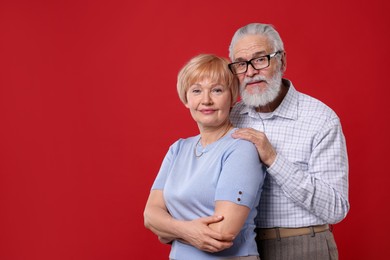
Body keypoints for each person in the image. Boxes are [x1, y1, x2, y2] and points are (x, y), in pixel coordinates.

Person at [226, 23, 350, 259]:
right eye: (241, 64)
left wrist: (273, 158)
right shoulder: (232, 117)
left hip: (304, 245)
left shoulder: (320, 119)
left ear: (281, 61)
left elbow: (336, 209)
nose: (251, 72)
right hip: (242, 249)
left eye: (260, 59)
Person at [143, 54, 266, 260]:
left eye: (217, 90)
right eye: (197, 90)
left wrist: (168, 231)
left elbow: (221, 234)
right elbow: (149, 215)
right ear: (186, 98)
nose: (206, 100)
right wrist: (187, 230)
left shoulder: (241, 148)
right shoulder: (178, 149)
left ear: (233, 97)